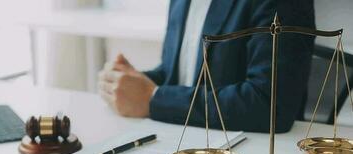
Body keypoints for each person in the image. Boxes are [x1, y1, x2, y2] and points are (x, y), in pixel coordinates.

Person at [98, 0, 315, 133]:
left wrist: (153, 98)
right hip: (183, 141)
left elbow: (270, 105)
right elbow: (178, 76)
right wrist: (130, 83)